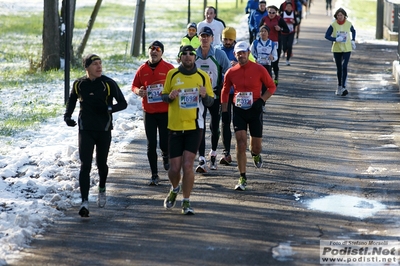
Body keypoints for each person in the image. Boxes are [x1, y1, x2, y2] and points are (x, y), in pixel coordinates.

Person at [64, 54, 128, 217]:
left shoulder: (108, 83)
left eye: (100, 64)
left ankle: (102, 187)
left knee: (101, 163)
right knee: (85, 165)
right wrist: (68, 116)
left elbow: (123, 103)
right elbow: (72, 100)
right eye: (95, 64)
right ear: (87, 68)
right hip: (85, 129)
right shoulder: (79, 84)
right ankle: (84, 202)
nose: (99, 67)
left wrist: (108, 109)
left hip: (104, 129)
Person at [161, 45, 214, 215]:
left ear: (195, 58)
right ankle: (175, 188)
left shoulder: (203, 76)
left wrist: (205, 95)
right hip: (175, 126)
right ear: (180, 57)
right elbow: (164, 96)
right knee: (174, 169)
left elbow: (211, 102)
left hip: (194, 126)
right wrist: (169, 97)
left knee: (188, 165)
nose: (188, 57)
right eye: (185, 54)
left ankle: (186, 201)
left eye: (191, 54)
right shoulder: (172, 74)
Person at [221, 41, 276, 191]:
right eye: (238, 53)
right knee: (240, 142)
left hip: (255, 109)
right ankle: (242, 177)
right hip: (239, 110)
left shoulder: (259, 69)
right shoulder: (231, 72)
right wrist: (225, 111)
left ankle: (255, 154)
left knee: (256, 147)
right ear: (234, 54)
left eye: (243, 52)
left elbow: (272, 86)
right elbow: (225, 91)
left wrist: (262, 100)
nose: (241, 55)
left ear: (249, 53)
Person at [131, 41, 174, 186]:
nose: (154, 52)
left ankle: (166, 155)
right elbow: (134, 85)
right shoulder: (142, 69)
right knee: (151, 144)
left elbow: (176, 84)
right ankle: (154, 174)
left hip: (165, 111)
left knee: (164, 141)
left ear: (162, 53)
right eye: (152, 49)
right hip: (148, 112)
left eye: (158, 50)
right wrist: (139, 91)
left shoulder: (168, 68)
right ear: (149, 52)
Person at [195, 26, 231, 172]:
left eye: (207, 36)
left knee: (214, 127)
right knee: (200, 126)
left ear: (212, 38)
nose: (204, 39)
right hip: (198, 96)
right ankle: (202, 158)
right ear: (199, 38)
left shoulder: (218, 54)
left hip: (215, 95)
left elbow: (228, 71)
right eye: (202, 36)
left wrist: (223, 84)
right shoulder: (193, 54)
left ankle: (214, 154)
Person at [324, 8, 356, 96]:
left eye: (341, 15)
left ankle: (344, 87)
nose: (340, 17)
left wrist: (353, 40)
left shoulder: (348, 24)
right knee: (339, 68)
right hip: (337, 49)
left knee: (344, 66)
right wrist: (335, 39)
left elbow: (353, 31)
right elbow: (326, 35)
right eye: (338, 15)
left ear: (344, 15)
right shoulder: (333, 25)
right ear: (336, 16)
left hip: (347, 48)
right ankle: (339, 86)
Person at [259, 5, 289, 86]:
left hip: (276, 43)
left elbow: (287, 30)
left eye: (273, 13)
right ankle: (267, 80)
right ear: (267, 12)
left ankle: (276, 78)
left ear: (276, 12)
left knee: (275, 62)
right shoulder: (264, 19)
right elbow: (259, 29)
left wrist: (280, 29)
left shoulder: (279, 19)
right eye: (269, 12)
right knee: (266, 63)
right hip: (265, 43)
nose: (271, 14)